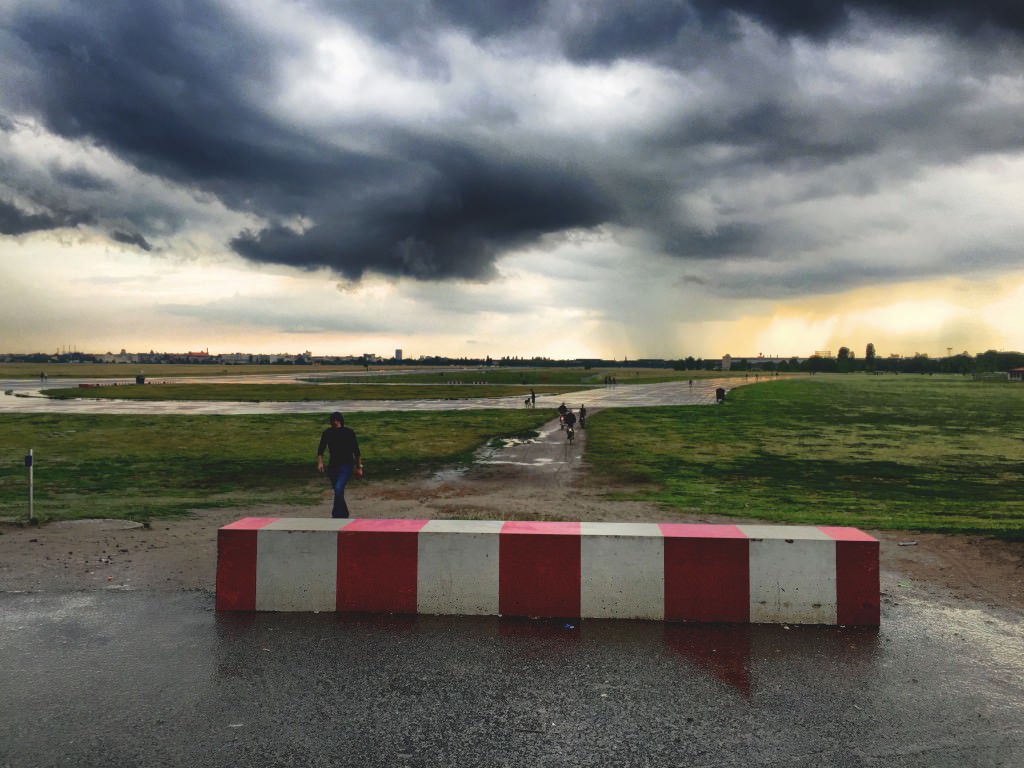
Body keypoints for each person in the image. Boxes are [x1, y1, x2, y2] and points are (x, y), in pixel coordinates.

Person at [316, 411, 362, 518]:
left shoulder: (349, 432)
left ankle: (336, 515)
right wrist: (320, 463)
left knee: (338, 488)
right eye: (333, 420)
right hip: (333, 466)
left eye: (336, 420)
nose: (334, 422)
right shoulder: (327, 433)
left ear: (340, 421)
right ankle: (344, 513)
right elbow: (320, 449)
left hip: (346, 465)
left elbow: (356, 451)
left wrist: (359, 467)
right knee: (338, 491)